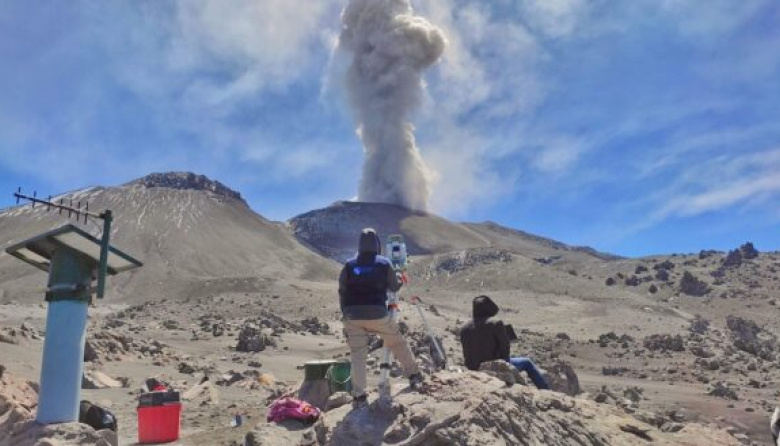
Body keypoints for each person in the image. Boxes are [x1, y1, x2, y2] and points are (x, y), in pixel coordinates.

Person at [339, 228, 423, 407]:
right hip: (377, 313)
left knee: (358, 354)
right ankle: (414, 374)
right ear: (377, 244)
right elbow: (394, 287)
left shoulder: (349, 264)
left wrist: (345, 313)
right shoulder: (384, 263)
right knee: (397, 342)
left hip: (352, 315)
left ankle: (359, 395)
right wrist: (399, 276)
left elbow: (342, 291)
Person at [459, 295, 549, 390]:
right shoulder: (495, 323)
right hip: (493, 366)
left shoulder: (464, 327)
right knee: (527, 362)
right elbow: (505, 350)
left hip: (473, 368)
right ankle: (545, 390)